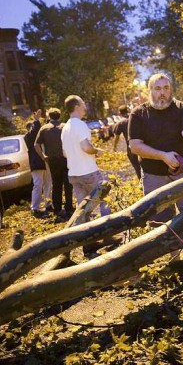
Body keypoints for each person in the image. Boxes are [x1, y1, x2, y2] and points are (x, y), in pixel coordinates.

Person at [128, 73, 183, 269]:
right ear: (150, 91)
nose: (162, 93)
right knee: (162, 222)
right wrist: (162, 155)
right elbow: (135, 146)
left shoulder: (181, 109)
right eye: (158, 88)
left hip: (182, 174)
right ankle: (174, 263)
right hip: (153, 176)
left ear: (171, 89)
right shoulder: (138, 114)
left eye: (166, 88)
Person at [61, 95, 113, 256]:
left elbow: (64, 153)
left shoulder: (65, 128)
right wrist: (96, 151)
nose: (85, 108)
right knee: (106, 199)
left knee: (83, 209)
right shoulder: (80, 125)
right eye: (83, 104)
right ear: (76, 106)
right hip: (88, 171)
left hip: (74, 174)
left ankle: (88, 245)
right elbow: (85, 147)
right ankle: (108, 235)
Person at [35, 108, 74, 220]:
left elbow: (36, 145)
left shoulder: (44, 129)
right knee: (68, 184)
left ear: (49, 116)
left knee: (56, 184)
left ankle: (57, 209)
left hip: (52, 160)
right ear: (59, 116)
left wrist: (43, 156)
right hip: (66, 158)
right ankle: (69, 207)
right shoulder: (65, 126)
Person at [24, 110, 52, 217]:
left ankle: (48, 203)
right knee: (38, 185)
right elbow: (34, 133)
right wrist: (36, 120)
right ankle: (35, 208)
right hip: (37, 163)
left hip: (45, 162)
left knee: (48, 183)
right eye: (31, 127)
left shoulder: (39, 135)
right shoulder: (28, 137)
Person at [112, 105, 142, 179]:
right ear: (128, 110)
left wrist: (114, 147)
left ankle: (141, 181)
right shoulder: (136, 118)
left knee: (137, 167)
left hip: (131, 148)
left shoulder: (120, 123)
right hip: (143, 145)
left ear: (119, 113)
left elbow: (117, 136)